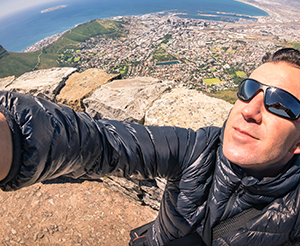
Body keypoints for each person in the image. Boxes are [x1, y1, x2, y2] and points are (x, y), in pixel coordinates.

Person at [0, 47, 300, 245]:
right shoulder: (197, 150)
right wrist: (12, 132)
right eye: (249, 90)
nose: (249, 110)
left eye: (280, 104)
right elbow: (100, 143)